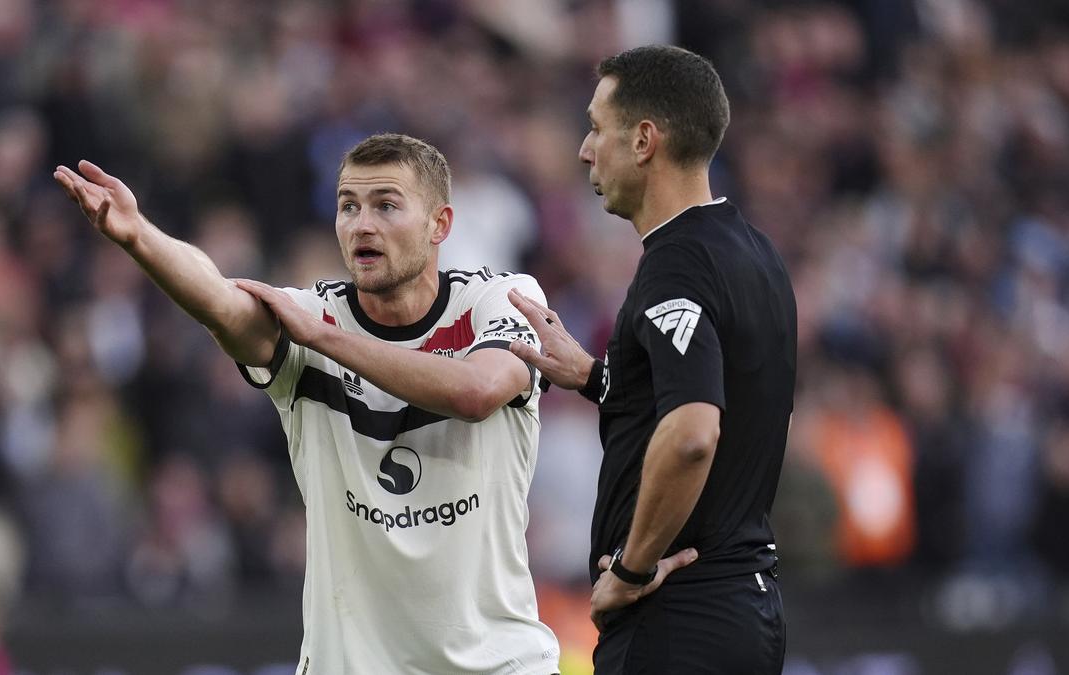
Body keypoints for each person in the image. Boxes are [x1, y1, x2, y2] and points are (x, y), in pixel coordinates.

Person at [53, 134, 568, 674]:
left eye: (386, 205)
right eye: (348, 206)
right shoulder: (311, 316)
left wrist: (325, 339)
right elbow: (223, 303)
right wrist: (139, 236)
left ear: (439, 224)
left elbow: (477, 392)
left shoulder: (499, 299)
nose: (362, 224)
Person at [508, 46, 796, 673]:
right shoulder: (755, 252)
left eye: (596, 128)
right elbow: (723, 399)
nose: (584, 150)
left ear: (643, 141)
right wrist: (593, 376)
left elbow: (693, 432)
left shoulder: (676, 263)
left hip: (679, 614)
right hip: (747, 605)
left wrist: (632, 569)